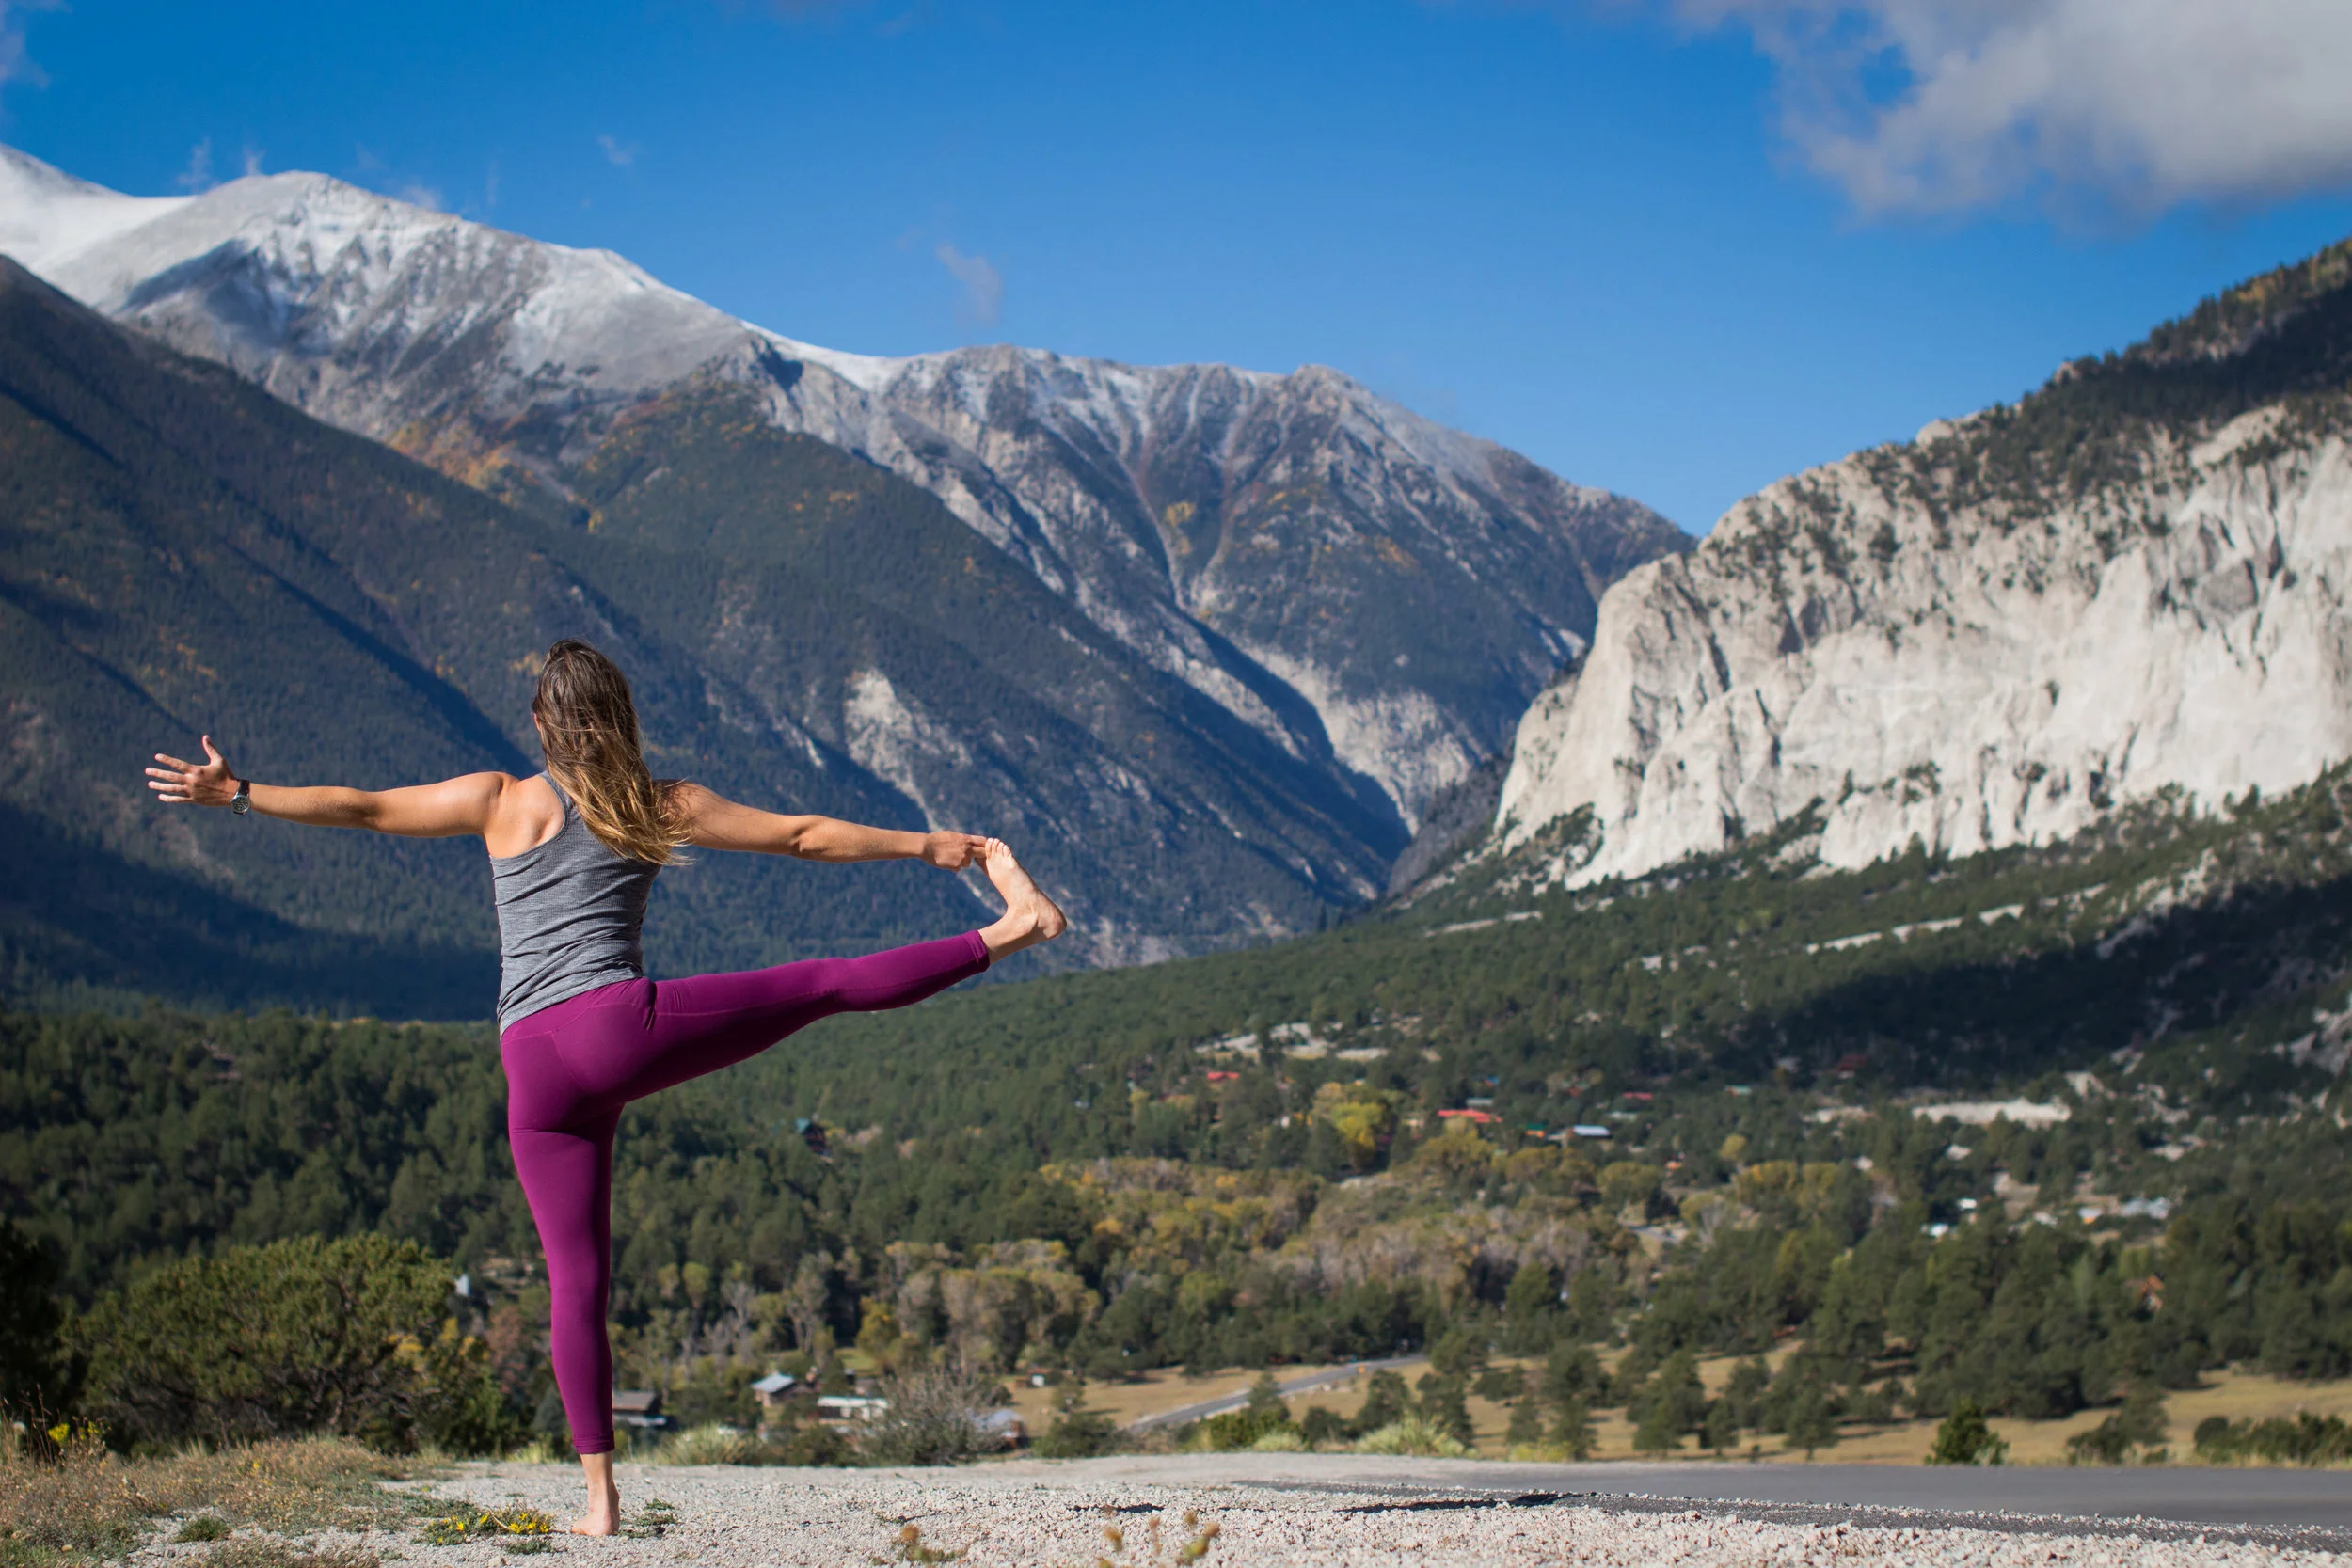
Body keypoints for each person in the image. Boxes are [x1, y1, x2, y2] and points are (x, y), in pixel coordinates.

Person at [145, 638, 1065, 1533]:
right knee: (819, 984)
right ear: (618, 717)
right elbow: (803, 836)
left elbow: (365, 809)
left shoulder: (496, 799)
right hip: (613, 1031)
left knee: (573, 1282)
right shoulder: (656, 801)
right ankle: (1010, 929)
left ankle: (599, 1502)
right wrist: (930, 845)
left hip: (530, 1073)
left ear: (543, 722)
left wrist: (241, 793)